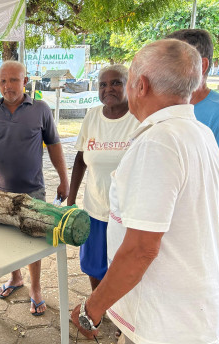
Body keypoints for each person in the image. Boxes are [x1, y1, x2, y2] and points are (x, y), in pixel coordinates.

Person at [70, 39, 219, 344]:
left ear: (140, 85)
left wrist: (91, 310)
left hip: (168, 325)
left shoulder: (158, 142)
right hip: (192, 311)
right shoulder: (199, 132)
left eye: (126, 82)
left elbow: (142, 249)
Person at [0, 60, 70, 316]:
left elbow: (54, 146)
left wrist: (64, 179)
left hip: (33, 190)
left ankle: (35, 287)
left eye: (13, 80)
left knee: (32, 242)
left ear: (25, 81)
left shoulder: (41, 109)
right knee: (7, 239)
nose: (8, 86)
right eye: (2, 81)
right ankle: (15, 278)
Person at [67, 65, 139, 293]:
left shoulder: (139, 118)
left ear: (129, 85)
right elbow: (80, 159)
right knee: (93, 265)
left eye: (116, 82)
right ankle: (99, 307)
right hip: (94, 209)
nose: (109, 89)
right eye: (103, 84)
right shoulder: (92, 116)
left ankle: (122, 317)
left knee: (124, 267)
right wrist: (70, 200)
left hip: (128, 214)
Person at [166, 29, 219, 238]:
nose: (164, 69)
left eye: (173, 60)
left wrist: (212, 245)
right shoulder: (163, 109)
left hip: (196, 240)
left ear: (203, 65)